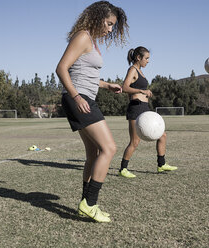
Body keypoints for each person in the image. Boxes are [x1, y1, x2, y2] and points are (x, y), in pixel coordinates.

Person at [55, 1, 128, 222]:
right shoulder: (83, 36)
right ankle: (90, 203)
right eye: (108, 23)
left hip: (84, 96)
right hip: (80, 99)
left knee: (93, 154)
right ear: (97, 18)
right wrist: (76, 97)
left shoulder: (92, 41)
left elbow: (87, 75)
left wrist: (107, 85)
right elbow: (61, 68)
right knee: (109, 148)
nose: (109, 29)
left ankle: (85, 203)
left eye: (112, 26)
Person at [119, 46, 178, 178]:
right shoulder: (132, 69)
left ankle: (161, 165)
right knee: (135, 142)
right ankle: (123, 169)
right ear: (138, 58)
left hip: (145, 109)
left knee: (162, 135)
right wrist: (141, 91)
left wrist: (145, 92)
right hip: (136, 108)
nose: (148, 61)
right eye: (146, 58)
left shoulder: (140, 71)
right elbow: (125, 87)